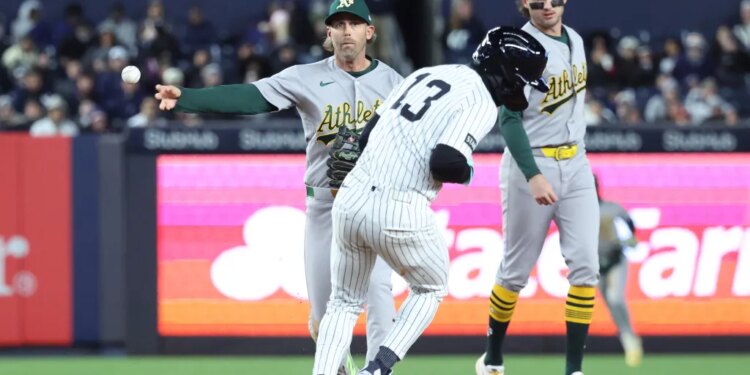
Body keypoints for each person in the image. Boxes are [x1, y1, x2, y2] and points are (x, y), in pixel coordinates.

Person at [154, 1, 401, 373]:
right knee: (323, 317)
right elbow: (252, 97)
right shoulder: (304, 77)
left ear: (370, 32)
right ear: (327, 34)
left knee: (381, 297)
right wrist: (188, 97)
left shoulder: (396, 83)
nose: (346, 30)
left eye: (354, 23)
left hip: (374, 206)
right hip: (325, 208)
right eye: (338, 23)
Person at [312, 26, 550, 375]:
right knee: (431, 287)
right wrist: (470, 171)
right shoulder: (481, 100)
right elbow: (446, 161)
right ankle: (378, 368)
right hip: (398, 205)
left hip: (351, 196)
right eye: (525, 80)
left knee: (343, 302)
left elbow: (365, 138)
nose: (526, 88)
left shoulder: (428, 73)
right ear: (507, 74)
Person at [475, 2, 599, 375]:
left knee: (586, 266)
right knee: (515, 271)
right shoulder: (517, 46)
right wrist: (532, 174)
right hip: (533, 161)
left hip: (576, 162)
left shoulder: (576, 39)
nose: (547, 5)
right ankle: (493, 357)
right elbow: (509, 119)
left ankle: (573, 370)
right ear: (523, 4)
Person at [594, 175, 643, 368]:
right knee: (608, 301)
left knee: (616, 298)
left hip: (615, 260)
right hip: (596, 264)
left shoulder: (611, 208)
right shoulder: (577, 211)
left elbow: (629, 225)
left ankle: (629, 339)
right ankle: (624, 333)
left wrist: (628, 240)